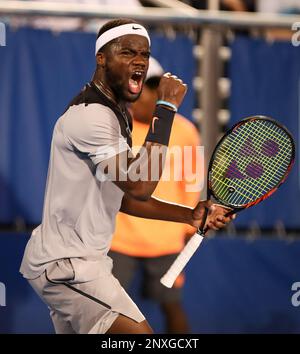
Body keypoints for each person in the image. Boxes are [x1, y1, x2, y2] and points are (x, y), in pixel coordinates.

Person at [20, 18, 234, 334]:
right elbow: (140, 187)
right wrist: (165, 109)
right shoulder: (93, 116)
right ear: (101, 58)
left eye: (144, 55)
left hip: (80, 263)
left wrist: (189, 214)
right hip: (67, 266)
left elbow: (123, 199)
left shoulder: (115, 115)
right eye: (127, 52)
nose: (139, 61)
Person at [109, 57, 201, 333]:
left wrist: (187, 226)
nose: (139, 95)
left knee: (171, 306)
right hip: (118, 239)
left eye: (148, 87)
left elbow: (192, 183)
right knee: (106, 310)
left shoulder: (184, 130)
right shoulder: (114, 127)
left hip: (167, 240)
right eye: (134, 87)